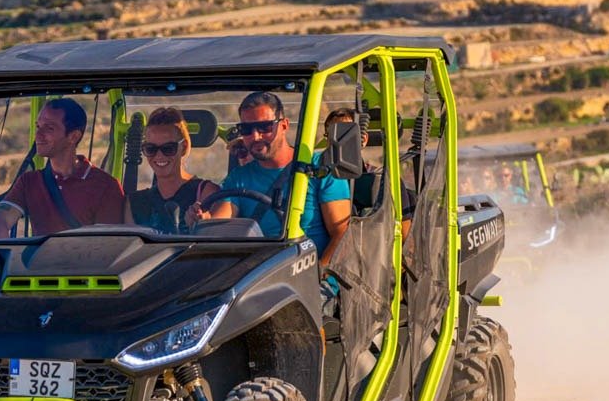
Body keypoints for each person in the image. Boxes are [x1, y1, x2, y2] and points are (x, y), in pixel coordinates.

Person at [203, 92, 351, 270]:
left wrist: (320, 274)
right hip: (257, 279)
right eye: (247, 130)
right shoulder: (238, 178)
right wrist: (204, 223)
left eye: (264, 127)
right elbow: (220, 221)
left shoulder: (319, 168)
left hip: (313, 280)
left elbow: (342, 234)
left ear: (284, 125)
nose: (256, 136)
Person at [0, 98, 124, 237]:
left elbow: (107, 245)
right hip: (38, 259)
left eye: (49, 128)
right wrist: (2, 254)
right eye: (38, 127)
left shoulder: (106, 186)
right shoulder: (29, 182)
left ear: (73, 136)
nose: (38, 135)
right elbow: (0, 221)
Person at [323, 107, 414, 239]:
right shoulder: (319, 178)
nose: (337, 143)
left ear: (363, 139)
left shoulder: (383, 182)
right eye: (332, 135)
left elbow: (405, 236)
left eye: (344, 135)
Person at [125, 107, 219, 233]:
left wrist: (205, 221)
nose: (159, 156)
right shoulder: (134, 203)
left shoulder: (205, 192)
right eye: (151, 149)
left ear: (184, 147)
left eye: (168, 148)